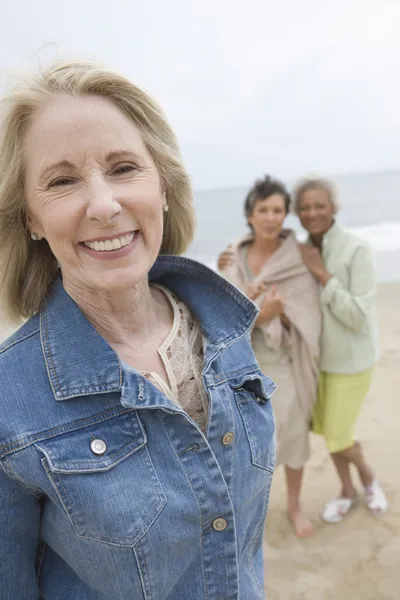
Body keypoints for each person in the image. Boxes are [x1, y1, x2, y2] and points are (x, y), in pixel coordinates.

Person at [0, 59, 276, 599]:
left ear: (165, 186)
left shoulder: (228, 331)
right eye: (62, 180)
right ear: (30, 218)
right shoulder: (9, 398)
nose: (104, 205)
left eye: (124, 168)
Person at [217, 176, 321, 538]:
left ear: (286, 214)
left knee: (292, 436)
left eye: (278, 210)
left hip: (284, 360)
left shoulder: (297, 258)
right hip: (244, 364)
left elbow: (308, 312)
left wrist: (275, 311)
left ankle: (294, 505)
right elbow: (224, 315)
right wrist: (261, 312)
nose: (271, 217)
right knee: (249, 444)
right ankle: (252, 508)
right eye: (263, 210)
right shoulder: (234, 255)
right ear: (250, 214)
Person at [295, 177, 388, 523]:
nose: (312, 212)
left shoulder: (356, 249)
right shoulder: (301, 250)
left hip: (351, 363)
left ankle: (367, 478)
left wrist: (322, 275)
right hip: (318, 361)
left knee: (337, 435)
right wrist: (235, 255)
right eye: (304, 207)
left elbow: (358, 317)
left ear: (334, 207)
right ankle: (346, 491)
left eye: (320, 205)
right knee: (330, 431)